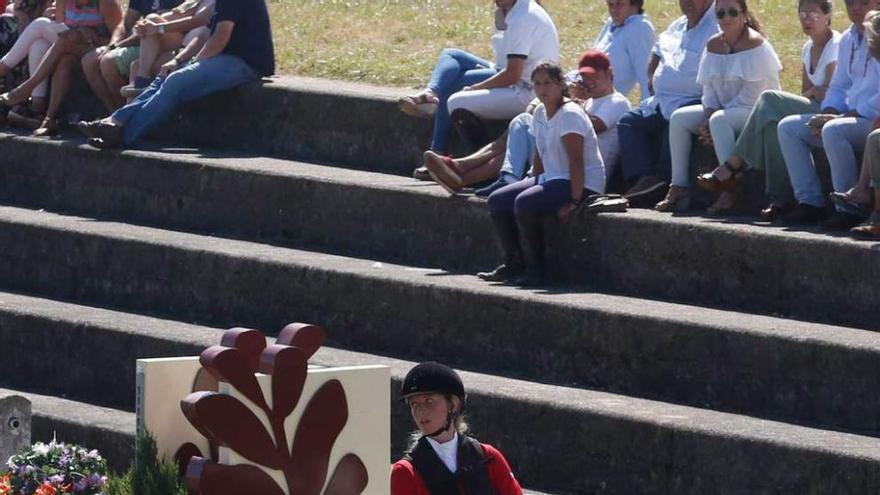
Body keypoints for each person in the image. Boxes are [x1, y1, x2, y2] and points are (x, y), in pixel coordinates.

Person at [694, 0, 839, 221]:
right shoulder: (808, 47)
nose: (807, 19)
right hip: (814, 106)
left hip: (832, 110)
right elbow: (808, 92)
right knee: (774, 126)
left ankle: (733, 165)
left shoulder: (835, 44)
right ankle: (782, 199)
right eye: (803, 13)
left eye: (814, 14)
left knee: (769, 99)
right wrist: (814, 92)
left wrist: (816, 92)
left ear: (828, 16)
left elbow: (829, 92)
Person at [423, 50, 630, 197]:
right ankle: (461, 172)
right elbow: (544, 113)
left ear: (609, 74)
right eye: (584, 77)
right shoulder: (588, 101)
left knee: (523, 125)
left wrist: (570, 103)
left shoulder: (616, 101)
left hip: (583, 172)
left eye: (594, 77)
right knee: (522, 122)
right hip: (560, 160)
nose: (588, 82)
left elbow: (587, 128)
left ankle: (468, 171)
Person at [74, 0, 273, 149]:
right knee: (165, 75)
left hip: (246, 62)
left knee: (177, 81)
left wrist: (193, 64)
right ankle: (115, 121)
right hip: (222, 57)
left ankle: (123, 136)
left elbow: (219, 39)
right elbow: (205, 34)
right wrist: (179, 61)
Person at [477, 62, 605, 286]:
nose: (542, 88)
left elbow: (576, 162)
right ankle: (512, 262)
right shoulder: (538, 112)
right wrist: (531, 179)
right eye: (537, 83)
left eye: (548, 83)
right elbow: (539, 153)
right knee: (498, 200)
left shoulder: (570, 114)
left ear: (560, 84)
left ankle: (538, 269)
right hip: (553, 177)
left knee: (525, 202)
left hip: (581, 182)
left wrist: (575, 202)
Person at [655, 0, 782, 213]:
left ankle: (729, 191)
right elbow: (709, 90)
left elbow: (752, 97)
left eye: (733, 12)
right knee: (679, 118)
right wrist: (708, 113)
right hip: (722, 111)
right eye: (721, 14)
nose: (727, 18)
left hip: (753, 112)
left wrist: (714, 119)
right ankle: (678, 186)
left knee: (719, 120)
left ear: (743, 14)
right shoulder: (713, 45)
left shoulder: (757, 46)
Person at [400, 0, 559, 167]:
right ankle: (431, 92)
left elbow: (512, 74)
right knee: (451, 55)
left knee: (454, 98)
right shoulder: (514, 10)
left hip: (527, 90)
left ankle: (439, 151)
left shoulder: (522, 17)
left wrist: (476, 88)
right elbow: (505, 63)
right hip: (507, 73)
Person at [776, 1, 880, 228]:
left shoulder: (877, 33)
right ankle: (810, 202)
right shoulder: (848, 39)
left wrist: (841, 118)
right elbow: (839, 85)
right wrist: (829, 111)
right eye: (850, 1)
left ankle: (849, 208)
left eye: (863, 1)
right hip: (850, 116)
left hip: (870, 119)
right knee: (789, 127)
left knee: (834, 130)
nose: (855, 7)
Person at [616, 0, 719, 208]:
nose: (687, 3)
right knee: (628, 122)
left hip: (696, 99)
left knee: (676, 120)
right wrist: (654, 77)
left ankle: (663, 182)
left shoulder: (716, 27)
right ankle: (641, 181)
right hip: (661, 101)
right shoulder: (678, 25)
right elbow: (657, 51)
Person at [391, 362, 523, 495]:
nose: (420, 411)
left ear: (453, 404)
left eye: (429, 401)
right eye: (414, 404)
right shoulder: (406, 472)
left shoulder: (489, 457)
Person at [0, 0, 123, 135]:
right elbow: (63, 28)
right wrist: (78, 32)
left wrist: (93, 37)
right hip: (73, 47)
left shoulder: (105, 3)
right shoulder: (63, 2)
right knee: (46, 49)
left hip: (100, 47)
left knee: (45, 29)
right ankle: (46, 116)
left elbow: (119, 36)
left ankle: (24, 88)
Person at [82, 0, 181, 112]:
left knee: (108, 62)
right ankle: (112, 111)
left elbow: (155, 30)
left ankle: (122, 112)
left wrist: (119, 45)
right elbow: (125, 24)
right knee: (88, 61)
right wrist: (112, 45)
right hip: (142, 39)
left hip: (161, 45)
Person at [118, 0, 213, 99]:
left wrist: (159, 28)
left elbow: (197, 21)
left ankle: (142, 81)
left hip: (197, 50)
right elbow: (179, 13)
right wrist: (145, 25)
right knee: (135, 65)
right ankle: (130, 111)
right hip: (183, 44)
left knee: (153, 20)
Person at [591, 0, 655, 101]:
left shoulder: (640, 28)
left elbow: (646, 77)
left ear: (634, 4)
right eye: (610, 4)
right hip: (584, 92)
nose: (613, 10)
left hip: (605, 101)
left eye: (620, 4)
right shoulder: (612, 22)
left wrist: (648, 111)